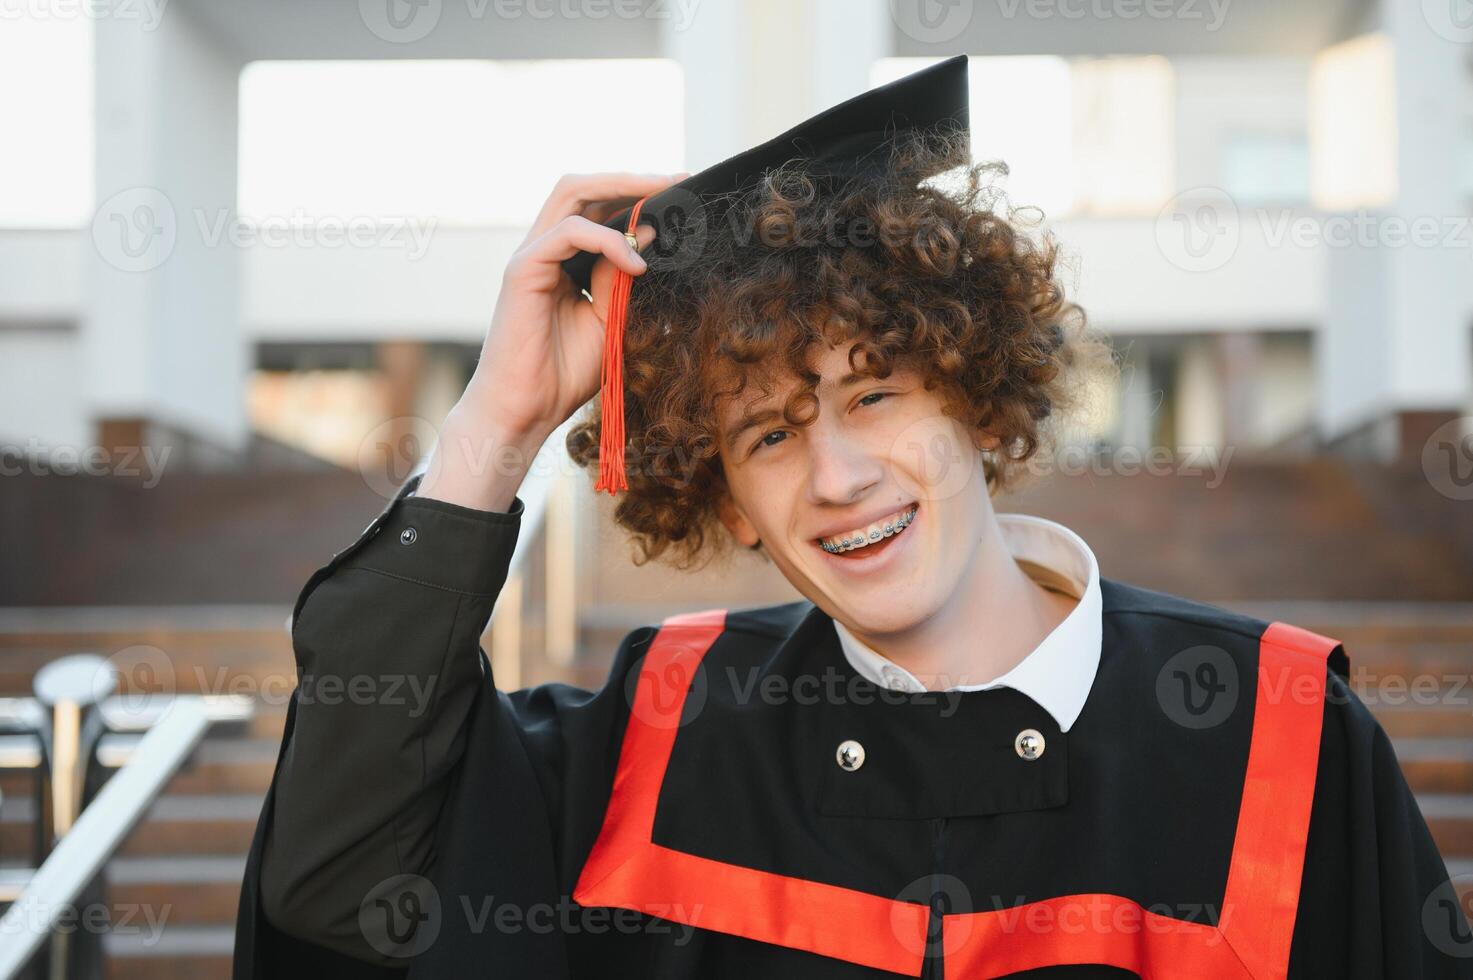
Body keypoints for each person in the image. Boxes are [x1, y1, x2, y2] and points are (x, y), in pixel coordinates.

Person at [232, 56, 1472, 979]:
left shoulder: (1279, 735)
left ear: (979, 394)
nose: (836, 476)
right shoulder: (655, 739)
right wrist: (493, 431)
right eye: (768, 431)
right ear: (725, 489)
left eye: (874, 393)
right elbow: (340, 880)